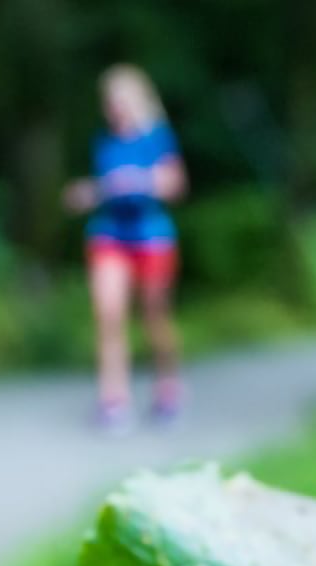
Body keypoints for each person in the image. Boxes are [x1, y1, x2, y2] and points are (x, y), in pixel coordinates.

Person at [63, 65, 188, 430]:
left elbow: (175, 185)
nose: (114, 108)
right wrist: (87, 193)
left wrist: (138, 180)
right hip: (110, 234)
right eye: (109, 101)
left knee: (154, 317)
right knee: (109, 315)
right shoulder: (105, 141)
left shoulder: (156, 137)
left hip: (150, 234)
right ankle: (114, 399)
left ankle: (168, 388)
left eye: (120, 100)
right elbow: (105, 186)